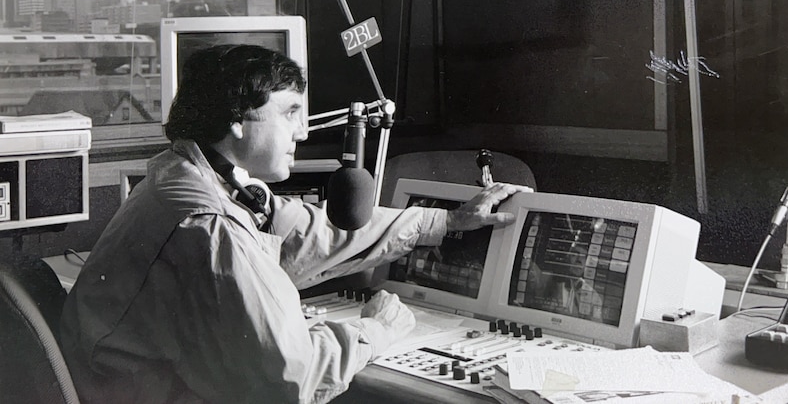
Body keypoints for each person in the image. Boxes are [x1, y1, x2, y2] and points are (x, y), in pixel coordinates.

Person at [60, 44, 532, 404]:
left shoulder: (189, 174)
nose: (301, 132)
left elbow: (310, 234)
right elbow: (291, 378)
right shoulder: (210, 225)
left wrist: (446, 220)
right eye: (289, 113)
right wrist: (375, 329)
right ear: (237, 121)